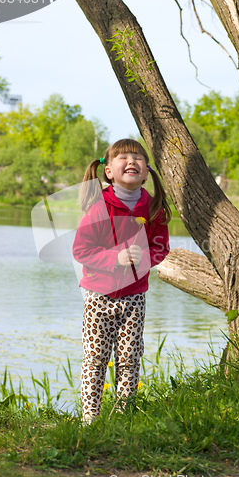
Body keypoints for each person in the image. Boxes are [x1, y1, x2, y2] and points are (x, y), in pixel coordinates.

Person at [72, 138, 171, 423]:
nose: (131, 161)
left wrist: (145, 259)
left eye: (138, 158)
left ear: (147, 170)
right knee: (95, 358)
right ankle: (90, 419)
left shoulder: (153, 209)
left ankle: (124, 417)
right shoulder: (99, 207)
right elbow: (81, 250)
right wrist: (116, 258)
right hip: (98, 295)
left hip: (134, 296)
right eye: (123, 158)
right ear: (108, 171)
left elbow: (160, 248)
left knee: (129, 356)